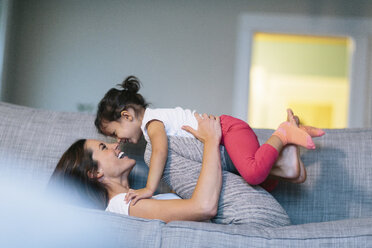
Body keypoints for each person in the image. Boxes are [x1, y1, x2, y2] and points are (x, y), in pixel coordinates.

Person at [95, 76, 324, 205]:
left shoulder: (152, 122)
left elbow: (160, 153)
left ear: (127, 115)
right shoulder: (154, 121)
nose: (120, 140)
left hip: (228, 130)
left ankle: (282, 134)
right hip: (226, 139)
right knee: (257, 181)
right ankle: (287, 166)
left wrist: (148, 188)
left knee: (253, 173)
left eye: (115, 133)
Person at [50, 113, 223, 223]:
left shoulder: (132, 200)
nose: (115, 145)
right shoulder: (123, 204)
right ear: (95, 173)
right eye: (104, 148)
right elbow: (203, 207)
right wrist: (211, 140)